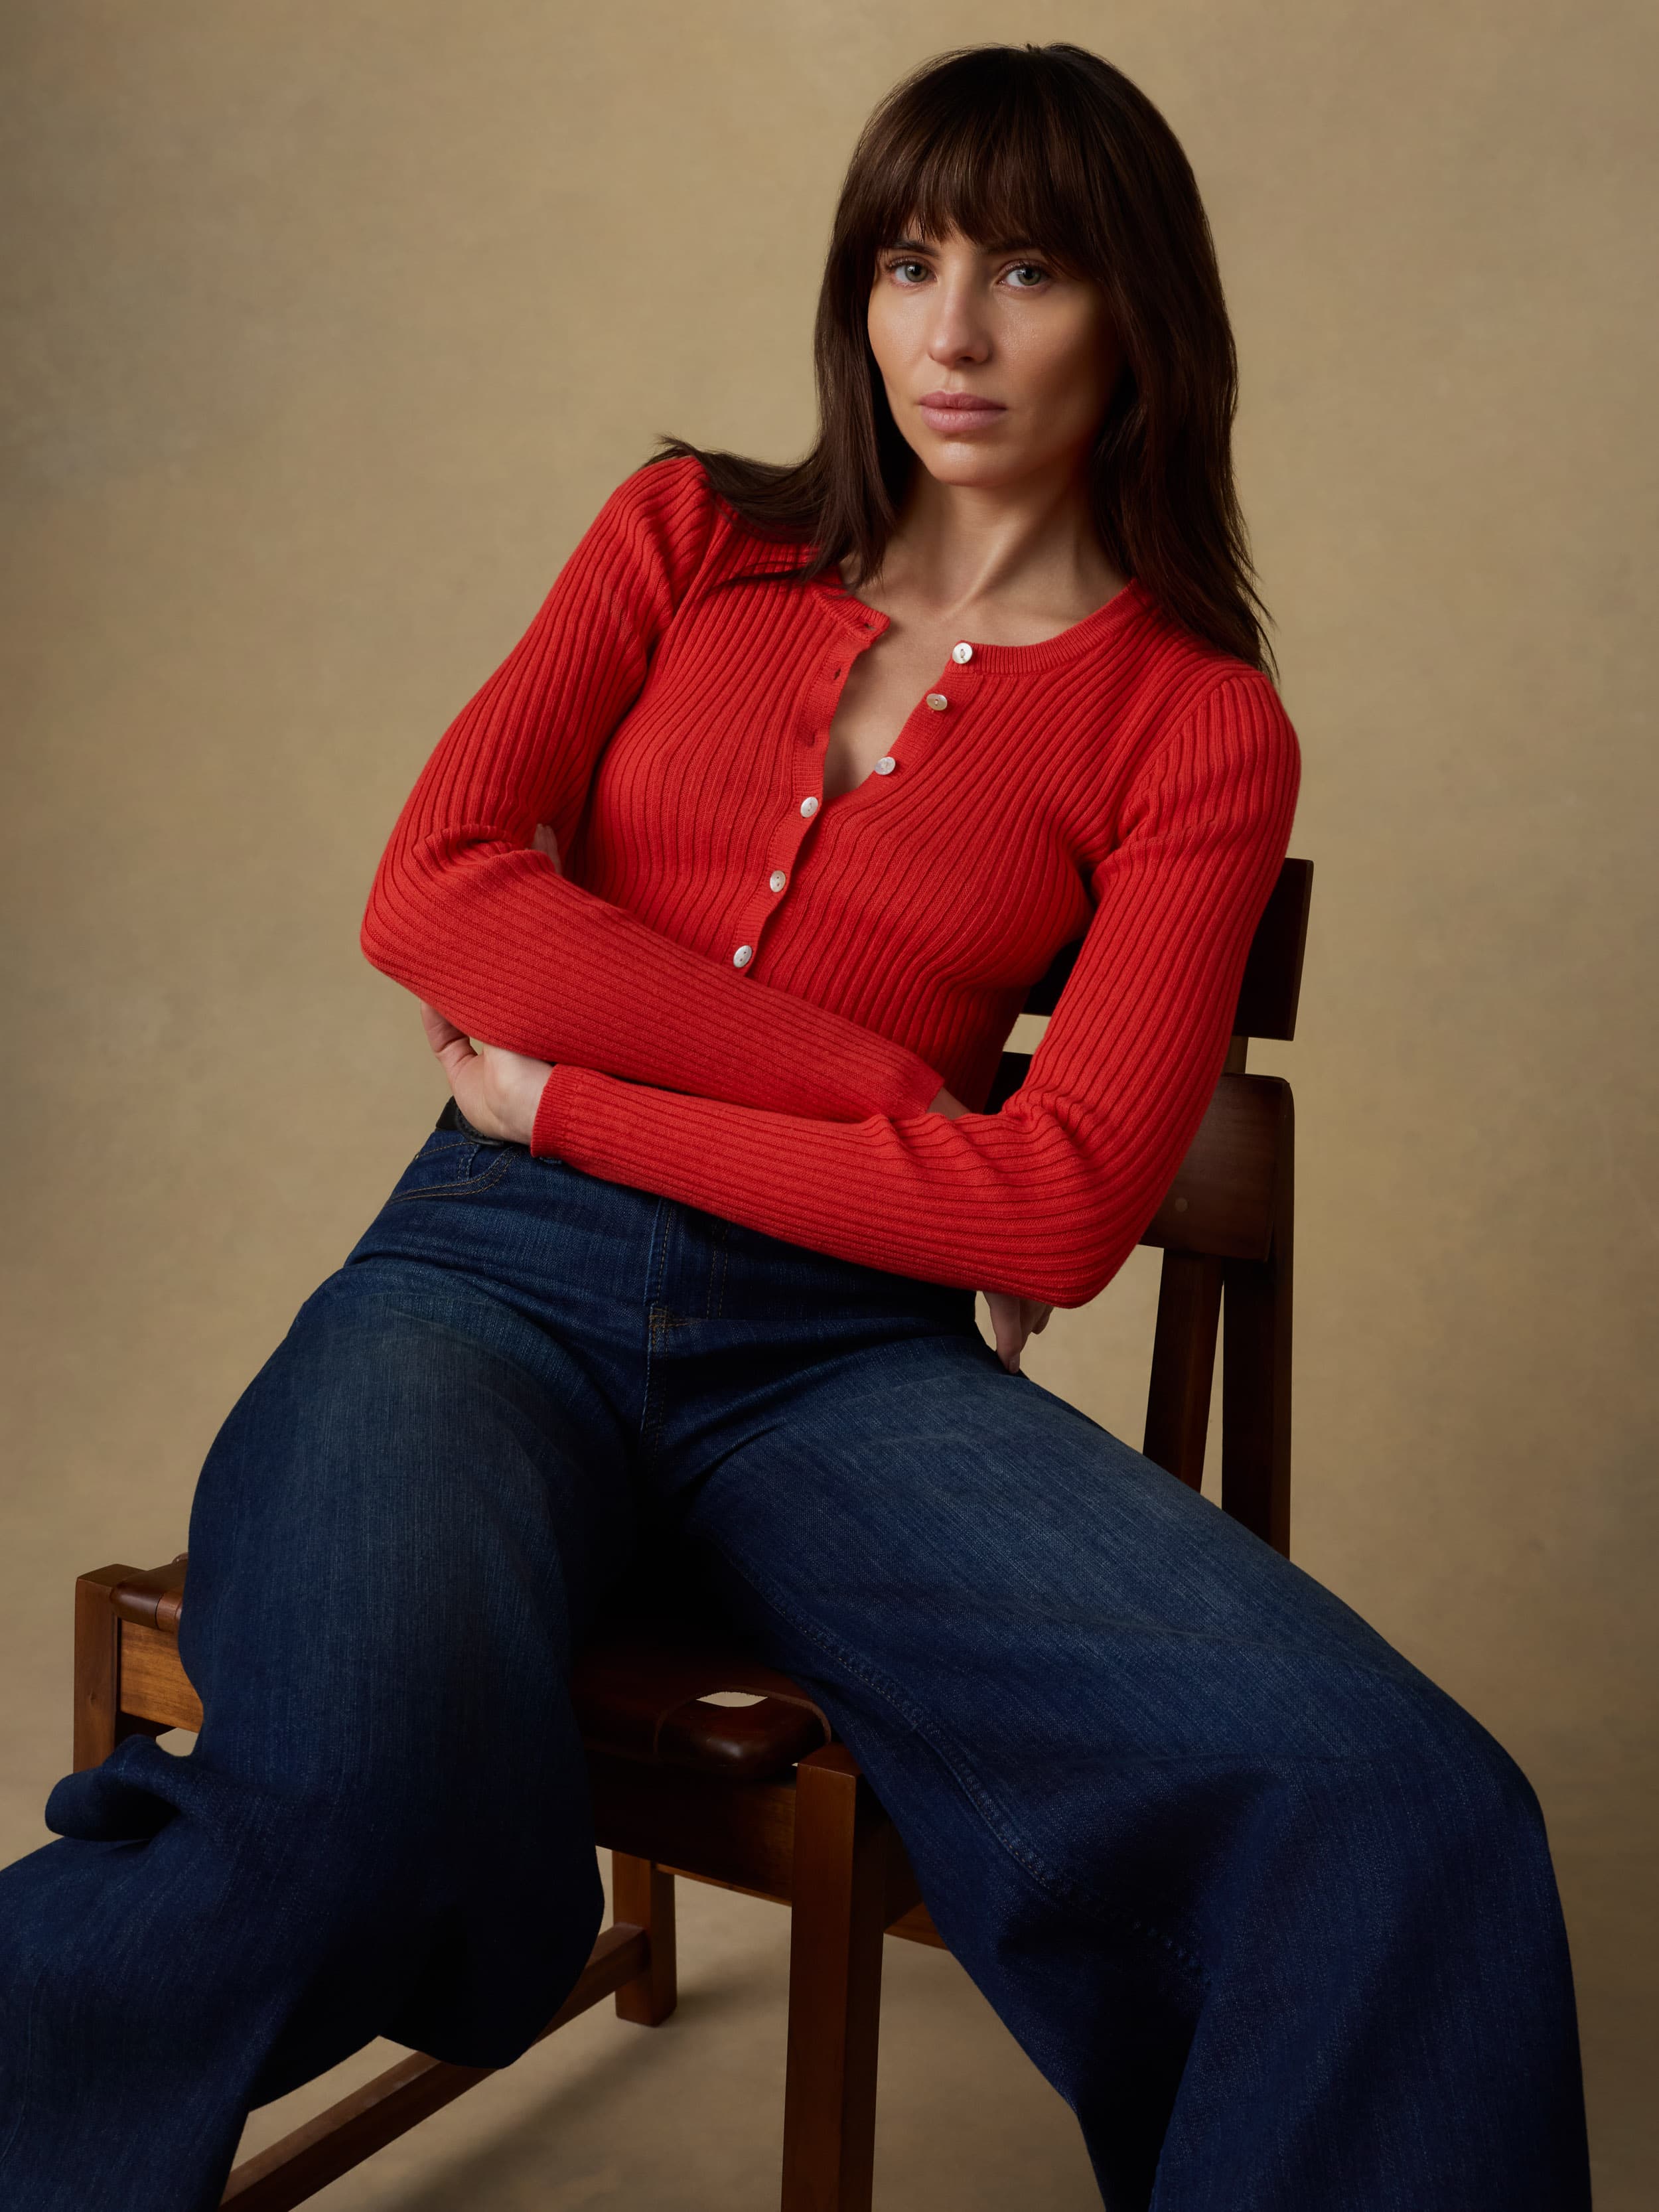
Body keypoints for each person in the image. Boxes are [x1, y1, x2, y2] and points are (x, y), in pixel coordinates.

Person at [0, 41, 1589, 2212]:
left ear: (1138, 307)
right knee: (346, 1795)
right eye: (906, 261)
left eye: (1023, 267)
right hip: (475, 1290)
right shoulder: (687, 536)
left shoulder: (1197, 722)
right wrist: (879, 1091)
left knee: (1399, 1804)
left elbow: (1049, 1217)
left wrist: (586, 1098)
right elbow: (436, 892)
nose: (950, 328)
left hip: (838, 1367)